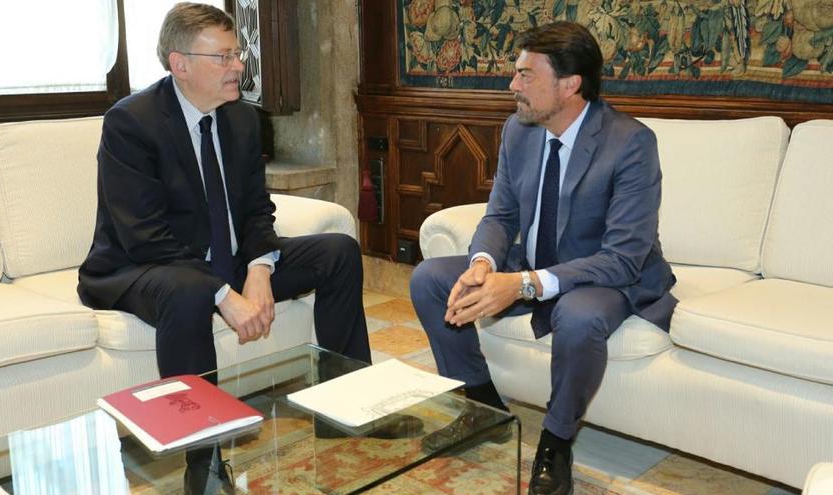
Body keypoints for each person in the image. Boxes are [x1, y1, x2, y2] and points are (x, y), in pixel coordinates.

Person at [77, 3, 417, 494]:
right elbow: (143, 235)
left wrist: (259, 270)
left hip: (225, 261)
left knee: (339, 250)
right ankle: (205, 458)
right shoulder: (131, 123)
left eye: (238, 54)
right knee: (189, 291)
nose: (239, 66)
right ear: (180, 64)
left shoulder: (241, 120)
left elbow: (258, 209)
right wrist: (223, 293)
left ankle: (348, 407)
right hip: (143, 267)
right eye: (224, 57)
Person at [410, 21, 677, 495]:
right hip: (533, 264)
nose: (513, 85)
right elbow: (501, 214)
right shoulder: (520, 130)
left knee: (577, 315)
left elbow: (623, 258)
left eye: (526, 75)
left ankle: (556, 442)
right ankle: (481, 409)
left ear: (570, 85)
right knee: (430, 278)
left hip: (605, 278)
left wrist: (524, 283)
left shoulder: (630, 143)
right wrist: (483, 266)